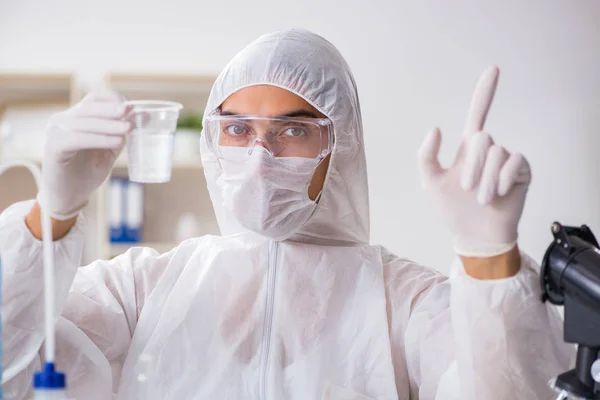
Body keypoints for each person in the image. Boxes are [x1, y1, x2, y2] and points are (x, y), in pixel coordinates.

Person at [0, 29, 572, 400]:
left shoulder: (408, 304)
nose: (259, 156)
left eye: (294, 130)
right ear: (213, 140)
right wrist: (49, 218)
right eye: (238, 129)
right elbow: (15, 372)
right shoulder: (142, 289)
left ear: (339, 145)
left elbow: (510, 391)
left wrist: (489, 262)